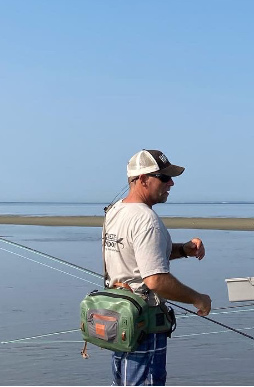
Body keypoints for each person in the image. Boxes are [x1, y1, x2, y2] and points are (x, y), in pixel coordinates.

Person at [103, 149, 212, 386]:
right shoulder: (146, 219)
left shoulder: (114, 212)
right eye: (164, 178)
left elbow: (138, 257)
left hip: (118, 323)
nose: (171, 183)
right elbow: (155, 280)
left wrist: (182, 249)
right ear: (143, 179)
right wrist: (198, 298)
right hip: (143, 325)